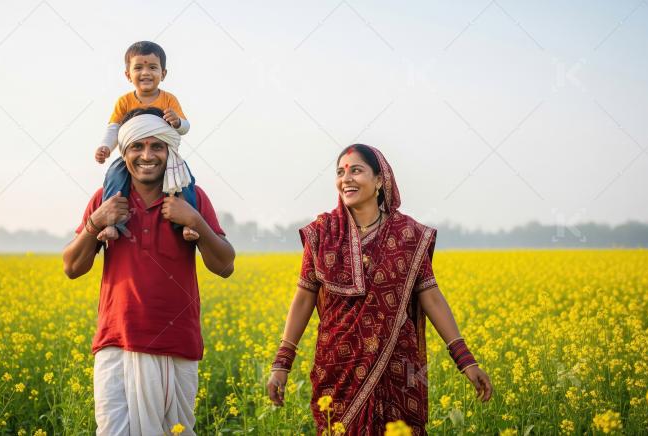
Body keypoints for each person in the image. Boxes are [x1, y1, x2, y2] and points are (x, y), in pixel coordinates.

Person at [266, 144, 493, 434]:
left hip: (398, 369)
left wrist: (466, 360)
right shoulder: (322, 233)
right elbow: (303, 298)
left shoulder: (409, 235)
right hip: (338, 367)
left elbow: (432, 297)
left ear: (379, 180)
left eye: (356, 170)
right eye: (340, 172)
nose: (346, 178)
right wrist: (282, 363)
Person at [64, 108, 235, 435]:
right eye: (137, 147)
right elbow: (72, 267)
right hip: (116, 343)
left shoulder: (192, 198)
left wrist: (194, 220)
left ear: (170, 151)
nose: (147, 155)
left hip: (177, 346)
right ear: (124, 151)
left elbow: (225, 265)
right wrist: (96, 222)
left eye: (157, 146)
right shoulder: (106, 199)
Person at [94, 40, 199, 243]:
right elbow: (114, 129)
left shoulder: (169, 99)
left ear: (163, 74)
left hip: (167, 157)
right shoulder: (124, 101)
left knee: (185, 181)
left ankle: (188, 224)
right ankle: (111, 225)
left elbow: (185, 127)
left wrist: (177, 122)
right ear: (128, 75)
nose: (146, 73)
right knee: (114, 177)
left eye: (153, 67)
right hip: (130, 158)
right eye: (139, 68)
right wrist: (105, 147)